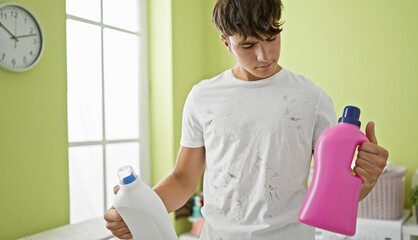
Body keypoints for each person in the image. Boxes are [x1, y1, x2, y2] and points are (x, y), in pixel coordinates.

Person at [104, 0, 389, 239]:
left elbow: (330, 193)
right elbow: (182, 179)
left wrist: (365, 180)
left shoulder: (312, 99)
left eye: (271, 38)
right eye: (248, 45)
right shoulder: (203, 97)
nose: (264, 56)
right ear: (226, 43)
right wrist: (140, 211)